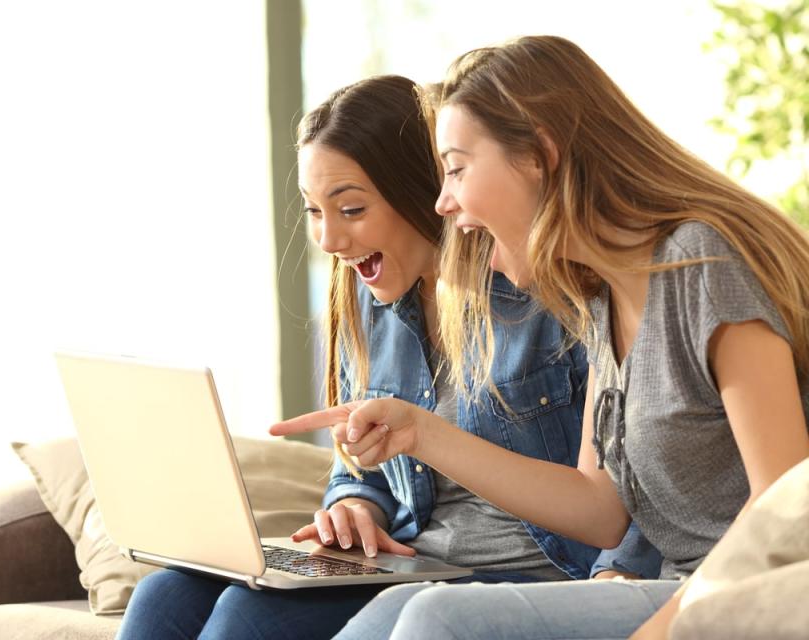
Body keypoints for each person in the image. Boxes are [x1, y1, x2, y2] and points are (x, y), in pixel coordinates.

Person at [271, 36, 809, 639]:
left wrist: (654, 630)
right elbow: (599, 512)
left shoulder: (700, 263)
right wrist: (419, 432)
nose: (443, 203)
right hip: (679, 590)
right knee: (391, 615)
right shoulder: (602, 298)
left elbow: (785, 516)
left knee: (435, 618)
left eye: (455, 169)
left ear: (537, 158)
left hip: (748, 600)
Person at [116, 74, 657, 640]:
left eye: (350, 209)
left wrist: (617, 579)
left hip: (530, 576)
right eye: (314, 211)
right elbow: (362, 468)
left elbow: (639, 472)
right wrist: (356, 507)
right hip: (413, 564)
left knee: (250, 619)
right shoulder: (368, 298)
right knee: (166, 594)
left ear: (422, 189)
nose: (327, 240)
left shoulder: (545, 288)